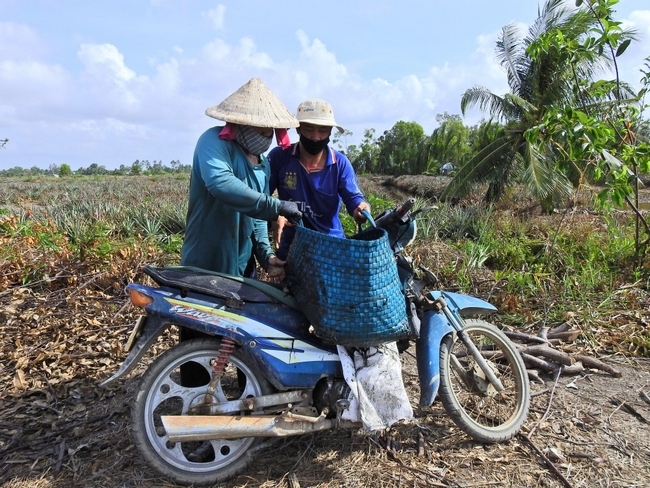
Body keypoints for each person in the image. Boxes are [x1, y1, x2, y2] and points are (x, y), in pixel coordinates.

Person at [180, 77, 304, 279]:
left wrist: (266, 256)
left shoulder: (263, 163)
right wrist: (276, 207)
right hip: (205, 264)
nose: (266, 135)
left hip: (242, 267)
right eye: (260, 129)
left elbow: (258, 219)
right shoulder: (213, 142)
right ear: (242, 124)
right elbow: (220, 184)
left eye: (269, 131)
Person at [268, 98, 370, 260]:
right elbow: (262, 197)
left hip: (330, 247)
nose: (315, 137)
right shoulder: (280, 157)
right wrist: (276, 215)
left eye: (323, 131)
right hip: (291, 247)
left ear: (330, 131)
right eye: (309, 129)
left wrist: (361, 209)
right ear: (298, 129)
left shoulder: (340, 163)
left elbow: (353, 198)